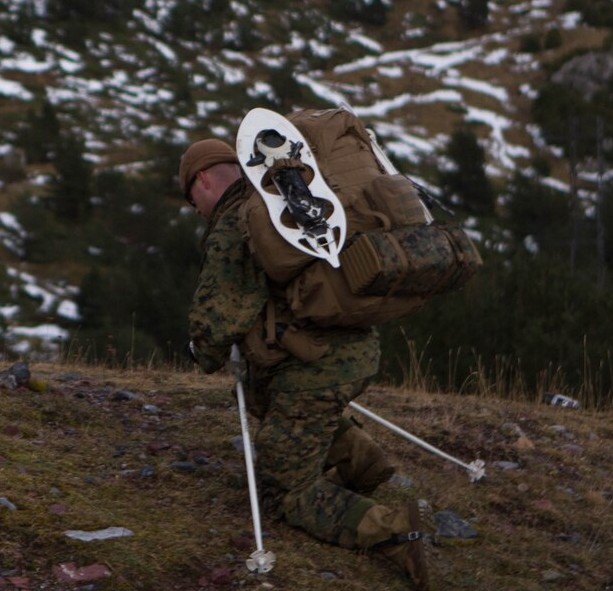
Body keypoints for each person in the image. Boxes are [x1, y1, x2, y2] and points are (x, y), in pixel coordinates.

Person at [180, 138, 429, 589]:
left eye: (190, 197)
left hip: (317, 366)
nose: (194, 208)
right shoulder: (284, 202)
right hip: (351, 350)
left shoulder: (235, 225)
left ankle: (393, 532)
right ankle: (361, 460)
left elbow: (218, 317)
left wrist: (202, 350)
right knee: (264, 393)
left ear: (201, 179)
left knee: (286, 491)